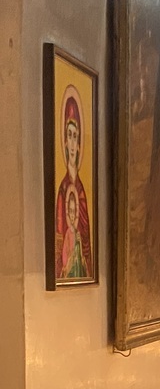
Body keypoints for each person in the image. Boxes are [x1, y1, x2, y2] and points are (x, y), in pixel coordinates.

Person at [54, 89, 92, 281]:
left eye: (75, 136)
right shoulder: (62, 190)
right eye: (68, 135)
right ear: (65, 140)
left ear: (78, 144)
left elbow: (87, 244)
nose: (71, 142)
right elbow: (59, 241)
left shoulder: (82, 191)